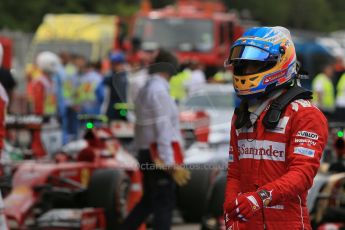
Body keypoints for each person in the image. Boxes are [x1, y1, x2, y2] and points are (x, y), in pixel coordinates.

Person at [223, 27, 328, 229]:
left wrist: (259, 198)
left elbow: (302, 174)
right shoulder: (242, 115)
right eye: (241, 66)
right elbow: (235, 172)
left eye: (253, 66)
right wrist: (230, 209)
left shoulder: (305, 114)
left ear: (279, 63)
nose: (245, 73)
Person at [121, 49, 190, 230]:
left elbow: (143, 126)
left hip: (147, 151)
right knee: (164, 203)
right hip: (158, 155)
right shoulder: (159, 91)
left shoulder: (146, 90)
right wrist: (168, 160)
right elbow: (163, 128)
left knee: (149, 201)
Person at [30, 51, 60, 157]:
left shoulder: (52, 81)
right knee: (41, 142)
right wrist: (41, 117)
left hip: (51, 117)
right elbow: (38, 101)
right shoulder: (40, 81)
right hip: (42, 119)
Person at [103, 51, 128, 121]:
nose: (114, 66)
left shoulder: (126, 76)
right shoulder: (110, 77)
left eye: (117, 64)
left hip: (124, 110)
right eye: (113, 64)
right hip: (111, 109)